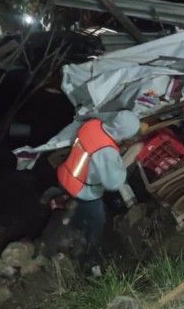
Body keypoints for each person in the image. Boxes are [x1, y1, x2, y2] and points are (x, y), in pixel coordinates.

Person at [57, 111, 139, 261]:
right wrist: (121, 166)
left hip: (65, 173)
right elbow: (113, 183)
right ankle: (91, 254)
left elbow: (92, 149)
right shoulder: (107, 152)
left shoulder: (92, 125)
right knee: (98, 220)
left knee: (77, 209)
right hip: (81, 189)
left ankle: (69, 213)